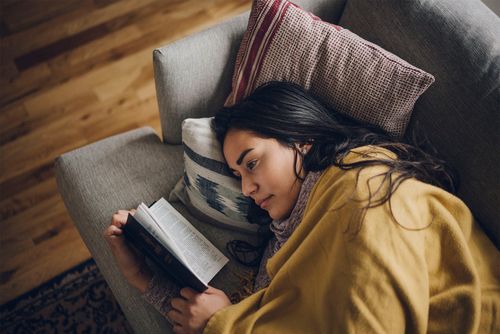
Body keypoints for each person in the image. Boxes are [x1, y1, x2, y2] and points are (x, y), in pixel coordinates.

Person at [104, 82, 499, 334]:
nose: (246, 187)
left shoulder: (364, 185)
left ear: (302, 140)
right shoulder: (291, 235)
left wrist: (222, 324)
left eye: (252, 162)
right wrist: (141, 276)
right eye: (237, 173)